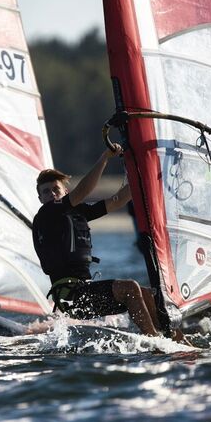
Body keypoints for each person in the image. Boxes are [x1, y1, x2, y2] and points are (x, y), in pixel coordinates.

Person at [31, 144, 188, 343]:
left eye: (56, 189)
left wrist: (145, 176)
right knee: (130, 288)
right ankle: (154, 341)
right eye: (46, 192)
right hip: (70, 297)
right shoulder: (45, 215)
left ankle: (179, 342)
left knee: (149, 295)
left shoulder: (77, 213)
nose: (52, 194)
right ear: (40, 198)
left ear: (64, 191)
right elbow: (83, 190)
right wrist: (105, 157)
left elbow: (117, 200)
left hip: (84, 292)